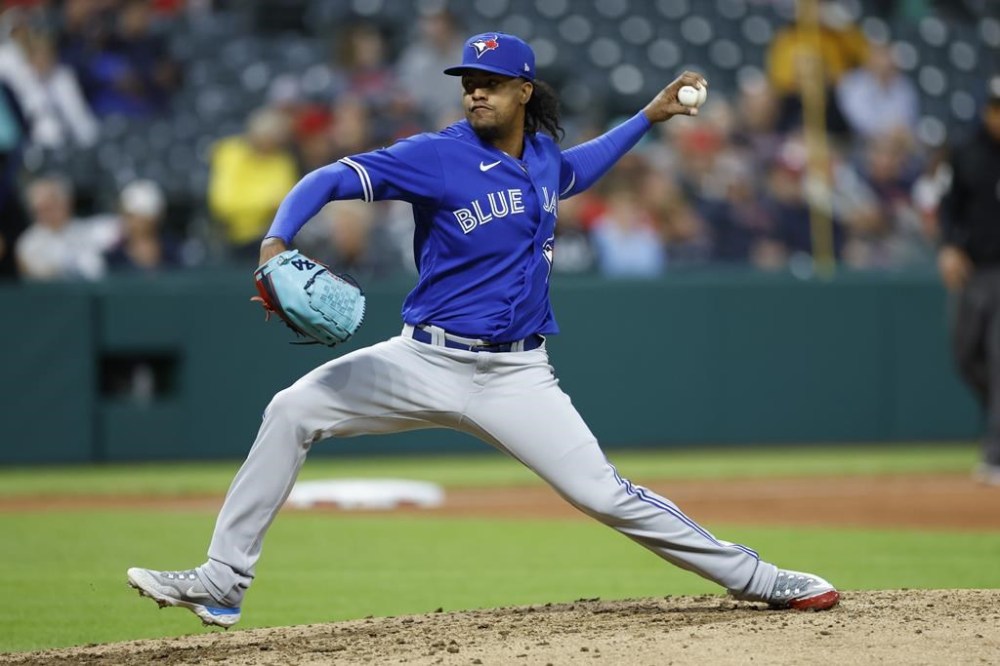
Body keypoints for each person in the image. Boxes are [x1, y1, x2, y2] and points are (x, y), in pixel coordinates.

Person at [126, 32, 840, 628]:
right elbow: (327, 180)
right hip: (421, 359)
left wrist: (647, 118)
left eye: (492, 82)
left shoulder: (540, 162)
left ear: (523, 91)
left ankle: (759, 578)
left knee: (605, 495)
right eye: (469, 80)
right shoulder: (436, 155)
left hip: (515, 376)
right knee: (291, 410)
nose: (476, 92)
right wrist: (276, 242)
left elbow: (577, 169)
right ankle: (224, 579)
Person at [937, 75, 1000, 486]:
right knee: (966, 356)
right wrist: (948, 247)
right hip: (976, 270)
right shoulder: (966, 152)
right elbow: (948, 205)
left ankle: (995, 454)